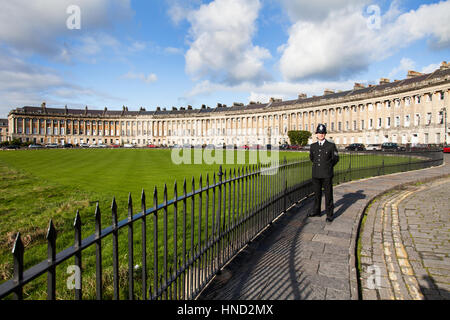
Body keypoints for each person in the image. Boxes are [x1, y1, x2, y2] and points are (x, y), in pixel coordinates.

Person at [308, 124, 339, 222]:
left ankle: (329, 214)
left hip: (327, 174)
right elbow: (312, 158)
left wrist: (328, 167)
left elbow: (335, 158)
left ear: (325, 134)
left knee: (328, 195)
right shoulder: (313, 146)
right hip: (316, 174)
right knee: (317, 194)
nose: (321, 134)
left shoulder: (331, 145)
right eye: (319, 133)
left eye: (322, 133)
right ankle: (317, 211)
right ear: (316, 134)